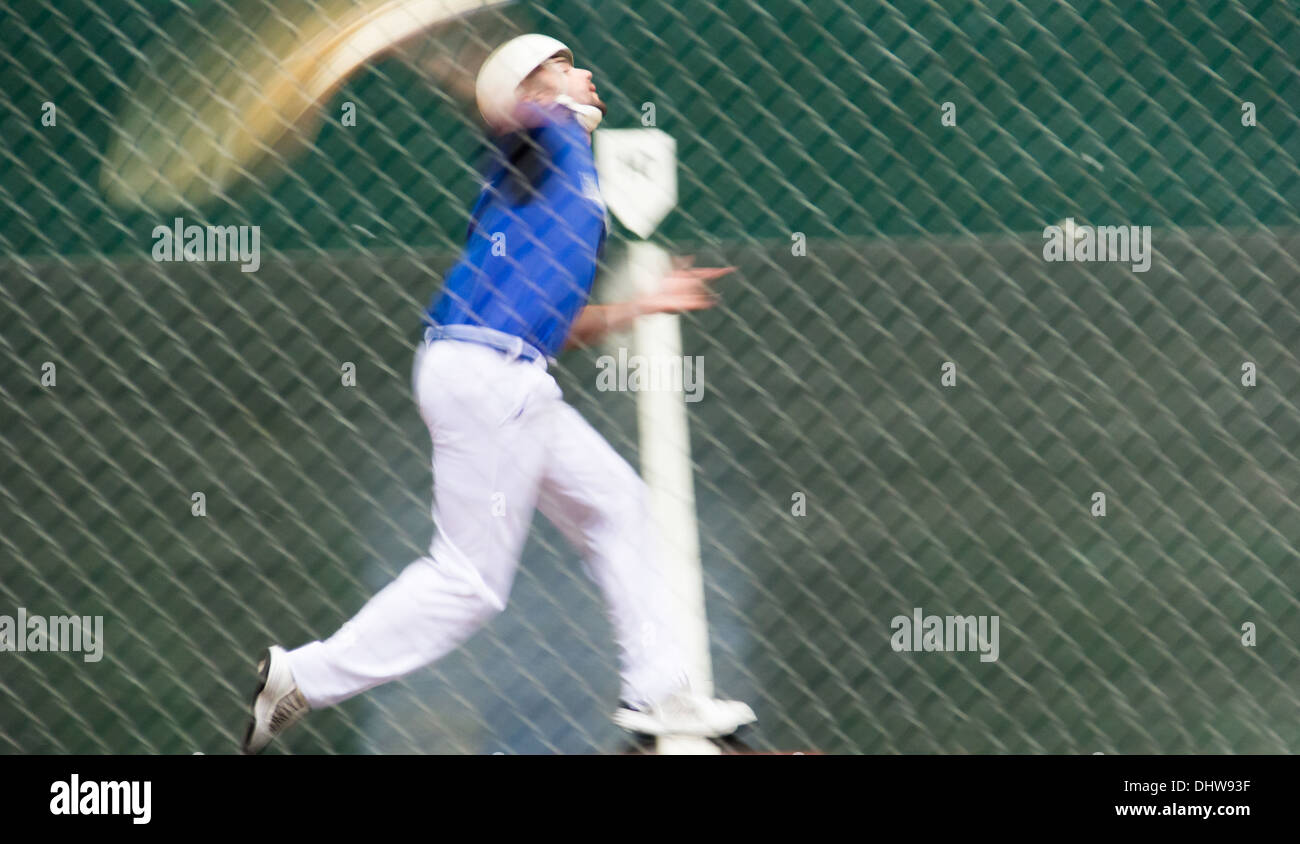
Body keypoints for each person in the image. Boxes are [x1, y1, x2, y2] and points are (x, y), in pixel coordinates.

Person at [242, 34, 755, 754]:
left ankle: (659, 696)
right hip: (486, 376)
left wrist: (641, 308)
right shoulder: (543, 136)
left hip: (513, 378)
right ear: (535, 89)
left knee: (618, 507)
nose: (587, 72)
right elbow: (503, 108)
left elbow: (556, 327)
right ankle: (303, 677)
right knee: (470, 583)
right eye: (566, 67)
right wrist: (443, 56)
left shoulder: (573, 186)